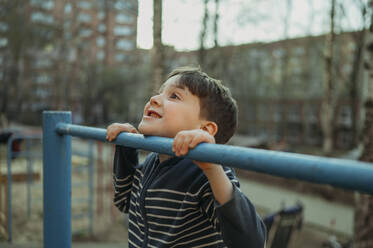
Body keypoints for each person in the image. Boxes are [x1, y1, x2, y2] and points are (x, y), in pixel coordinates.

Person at [106, 67, 266, 247]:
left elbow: (252, 242)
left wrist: (213, 169)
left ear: (205, 129)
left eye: (174, 96)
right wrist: (126, 147)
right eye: (159, 93)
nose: (154, 99)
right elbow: (124, 203)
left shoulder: (205, 172)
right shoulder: (153, 161)